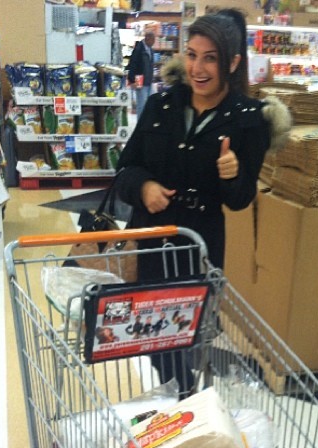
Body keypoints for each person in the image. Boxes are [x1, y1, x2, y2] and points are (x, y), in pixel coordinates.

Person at [114, 8, 292, 390]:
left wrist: (233, 174)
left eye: (210, 58)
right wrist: (144, 187)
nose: (198, 68)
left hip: (198, 248)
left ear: (233, 62)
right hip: (148, 241)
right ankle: (178, 404)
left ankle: (183, 406)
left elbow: (241, 200)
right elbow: (125, 169)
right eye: (192, 55)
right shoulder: (161, 106)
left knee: (184, 338)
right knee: (151, 338)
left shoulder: (250, 119)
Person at [126, 31, 156, 118]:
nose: (154, 42)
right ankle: (140, 125)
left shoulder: (150, 49)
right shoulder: (139, 49)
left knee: (150, 103)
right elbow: (133, 64)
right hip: (140, 81)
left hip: (149, 81)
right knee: (141, 105)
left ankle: (146, 123)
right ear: (148, 39)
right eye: (153, 40)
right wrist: (132, 80)